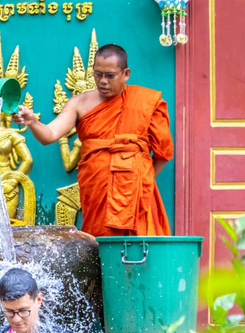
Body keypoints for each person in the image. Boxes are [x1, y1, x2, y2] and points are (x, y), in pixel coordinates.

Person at [13, 44, 174, 237]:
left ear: (126, 74)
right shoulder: (78, 103)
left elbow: (163, 153)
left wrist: (138, 182)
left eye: (110, 75)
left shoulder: (145, 102)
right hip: (96, 190)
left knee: (141, 252)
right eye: (98, 74)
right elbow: (49, 135)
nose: (103, 81)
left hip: (138, 194)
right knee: (99, 246)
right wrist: (32, 122)